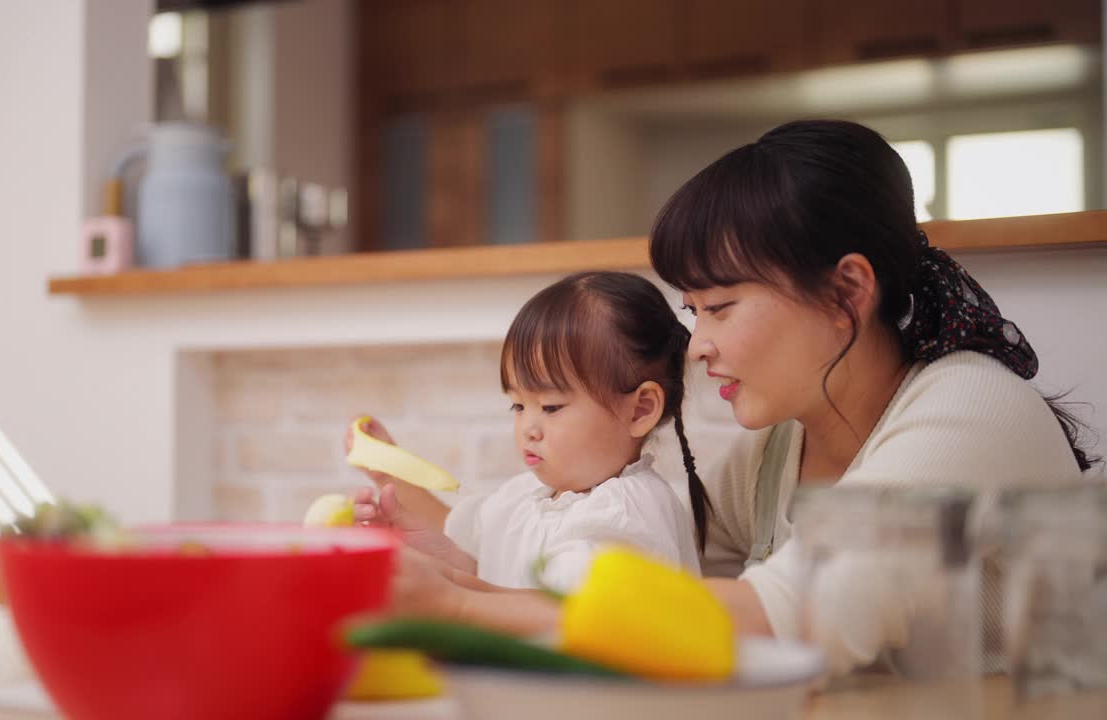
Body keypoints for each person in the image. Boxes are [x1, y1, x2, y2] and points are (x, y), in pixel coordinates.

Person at [358, 119, 1100, 673]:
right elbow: (653, 586)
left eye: (721, 307)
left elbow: (775, 619)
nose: (699, 343)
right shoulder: (782, 447)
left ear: (847, 290)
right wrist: (460, 570)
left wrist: (458, 607)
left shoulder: (967, 415)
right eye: (693, 312)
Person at [345, 271, 710, 594]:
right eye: (518, 406)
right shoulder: (525, 497)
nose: (528, 429)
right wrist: (387, 475)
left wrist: (448, 590)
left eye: (550, 407)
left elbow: (554, 617)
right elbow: (484, 572)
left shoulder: (628, 513)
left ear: (641, 410)